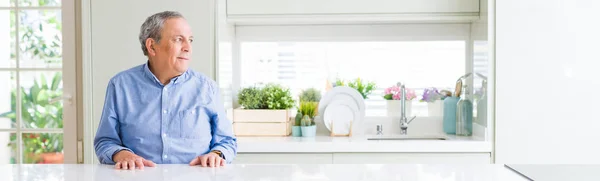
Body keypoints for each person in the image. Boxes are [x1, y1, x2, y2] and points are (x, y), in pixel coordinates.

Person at [93, 11, 237, 170]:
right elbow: (105, 141)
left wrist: (216, 154)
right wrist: (122, 155)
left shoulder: (208, 88)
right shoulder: (120, 85)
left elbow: (227, 141)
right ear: (152, 46)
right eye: (178, 39)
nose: (188, 48)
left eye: (190, 40)